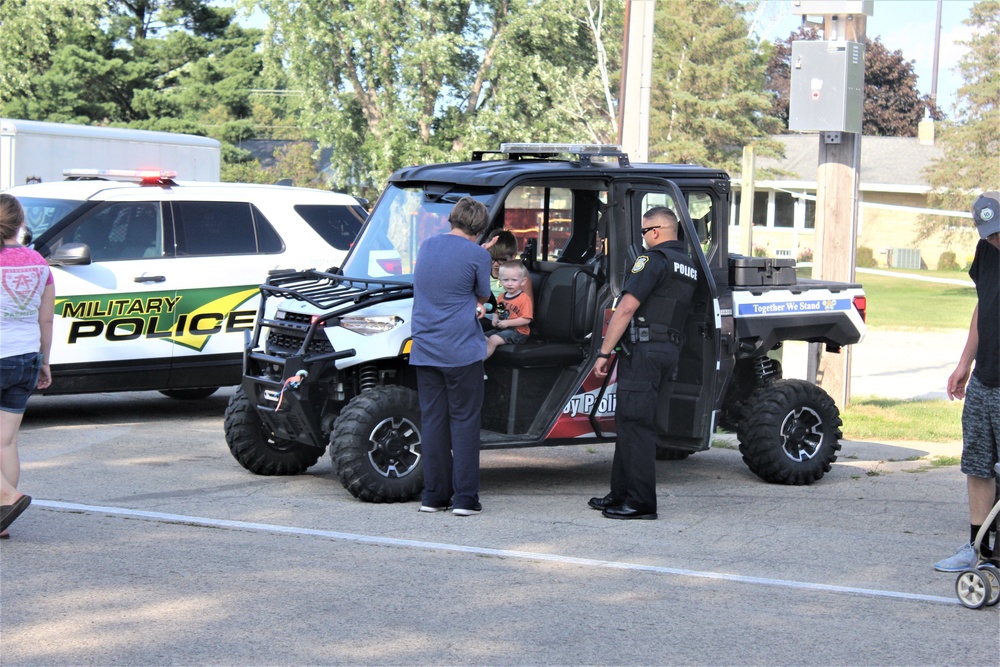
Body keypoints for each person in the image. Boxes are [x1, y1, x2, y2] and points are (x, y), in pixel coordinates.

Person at [588, 207, 698, 520]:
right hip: (666, 350)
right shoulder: (688, 264)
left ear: (656, 231)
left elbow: (625, 309)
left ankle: (640, 503)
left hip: (645, 350)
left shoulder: (652, 260)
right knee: (629, 421)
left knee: (636, 425)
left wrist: (604, 353)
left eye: (643, 232)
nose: (643, 238)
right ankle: (619, 494)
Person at [410, 197, 492, 516]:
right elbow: (483, 294)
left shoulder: (427, 246)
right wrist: (481, 256)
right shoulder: (476, 254)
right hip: (461, 350)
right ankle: (465, 499)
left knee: (432, 423)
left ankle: (433, 496)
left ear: (453, 219)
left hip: (426, 348)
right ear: (479, 227)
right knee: (465, 423)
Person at [934, 191, 1000, 571]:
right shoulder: (987, 250)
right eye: (989, 233)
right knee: (978, 465)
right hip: (984, 379)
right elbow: (983, 304)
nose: (995, 240)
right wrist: (964, 364)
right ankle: (977, 548)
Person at [0, 193, 54, 537]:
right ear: (21, 223)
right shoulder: (39, 262)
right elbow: (46, 320)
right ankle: (2, 519)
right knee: (6, 443)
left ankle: (7, 494)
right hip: (26, 357)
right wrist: (45, 363)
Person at [484, 260, 533, 359]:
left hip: (519, 332)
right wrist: (495, 318)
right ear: (500, 281)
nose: (509, 284)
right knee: (481, 336)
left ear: (523, 281)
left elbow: (526, 319)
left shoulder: (524, 299)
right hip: (503, 329)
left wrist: (508, 323)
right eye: (506, 280)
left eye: (514, 280)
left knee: (493, 339)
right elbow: (499, 311)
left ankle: (478, 364)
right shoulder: (501, 297)